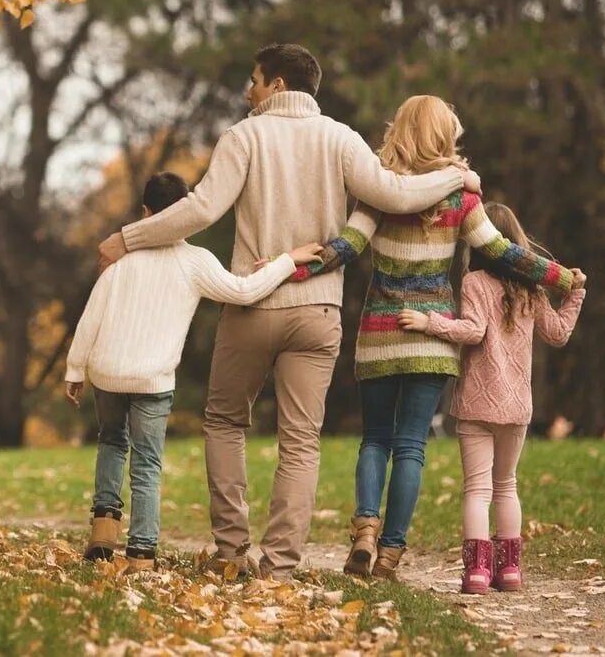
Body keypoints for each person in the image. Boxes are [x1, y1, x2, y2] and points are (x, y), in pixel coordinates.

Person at [97, 45, 480, 580]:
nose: (247, 91)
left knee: (225, 421)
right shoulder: (341, 139)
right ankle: (279, 567)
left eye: (253, 80)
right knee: (300, 439)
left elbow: (202, 209)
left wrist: (128, 237)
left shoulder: (243, 136)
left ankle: (232, 552)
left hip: (253, 303)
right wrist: (458, 178)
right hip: (318, 310)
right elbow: (394, 193)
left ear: (276, 84)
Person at [286, 96, 574, 580]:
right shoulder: (462, 200)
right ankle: (391, 554)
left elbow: (346, 247)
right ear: (444, 137)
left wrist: (289, 268)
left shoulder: (377, 192)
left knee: (374, 439)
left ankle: (364, 529)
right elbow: (501, 251)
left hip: (380, 330)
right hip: (433, 338)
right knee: (411, 446)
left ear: (398, 131)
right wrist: (559, 278)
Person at [66, 172, 324, 571]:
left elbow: (91, 316)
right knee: (147, 462)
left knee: (111, 442)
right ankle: (141, 554)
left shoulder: (122, 260)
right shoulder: (194, 262)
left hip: (107, 372)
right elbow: (244, 291)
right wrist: (287, 261)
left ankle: (103, 531)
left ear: (146, 213)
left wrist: (75, 368)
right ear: (186, 213)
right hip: (152, 379)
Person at [398, 201, 587, 594]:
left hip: (477, 405)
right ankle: (511, 572)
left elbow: (473, 331)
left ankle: (478, 573)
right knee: (506, 485)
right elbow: (558, 334)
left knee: (478, 489)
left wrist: (428, 322)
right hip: (517, 405)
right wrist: (576, 296)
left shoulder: (473, 283)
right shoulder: (531, 289)